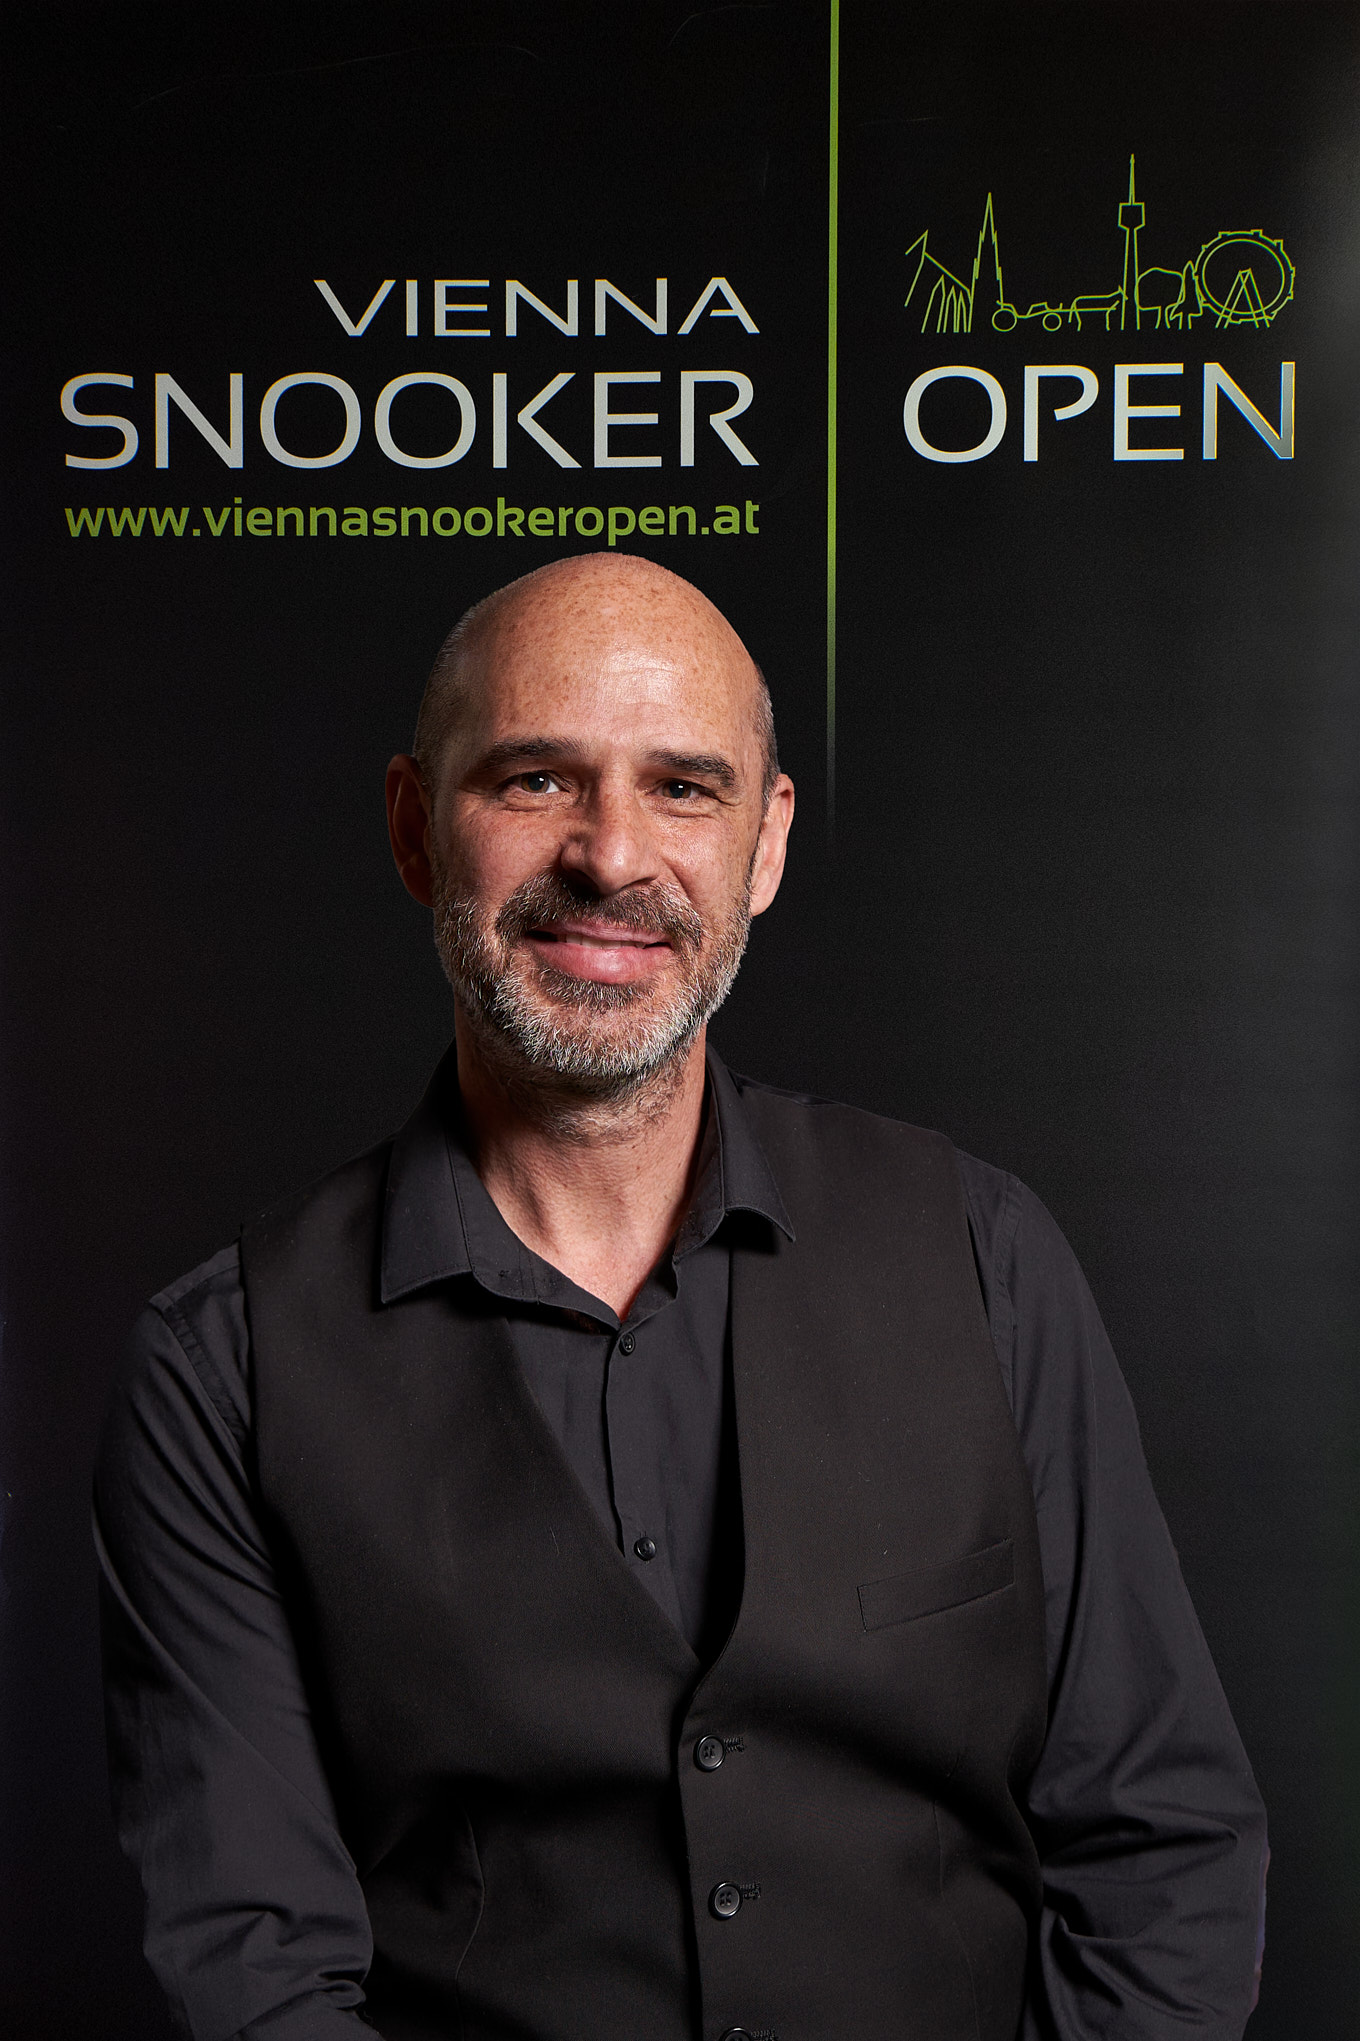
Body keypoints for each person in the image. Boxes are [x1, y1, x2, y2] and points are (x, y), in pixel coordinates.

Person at [96, 553, 1267, 2041]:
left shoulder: (985, 1255)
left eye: (683, 788)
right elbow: (259, 1976)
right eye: (535, 779)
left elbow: (1163, 1849)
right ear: (413, 826)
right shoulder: (224, 1369)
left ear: (765, 846)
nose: (610, 855)